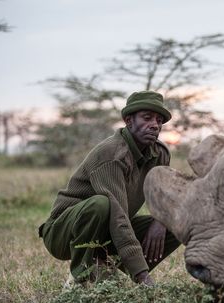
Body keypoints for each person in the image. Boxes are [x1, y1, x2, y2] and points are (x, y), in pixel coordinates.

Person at [38, 90, 181, 286]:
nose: (155, 125)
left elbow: (165, 195)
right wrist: (142, 276)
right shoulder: (112, 154)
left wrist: (161, 222)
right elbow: (118, 214)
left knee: (176, 223)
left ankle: (106, 267)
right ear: (129, 121)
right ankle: (82, 277)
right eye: (147, 118)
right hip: (63, 233)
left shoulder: (160, 153)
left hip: (107, 232)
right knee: (102, 204)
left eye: (159, 120)